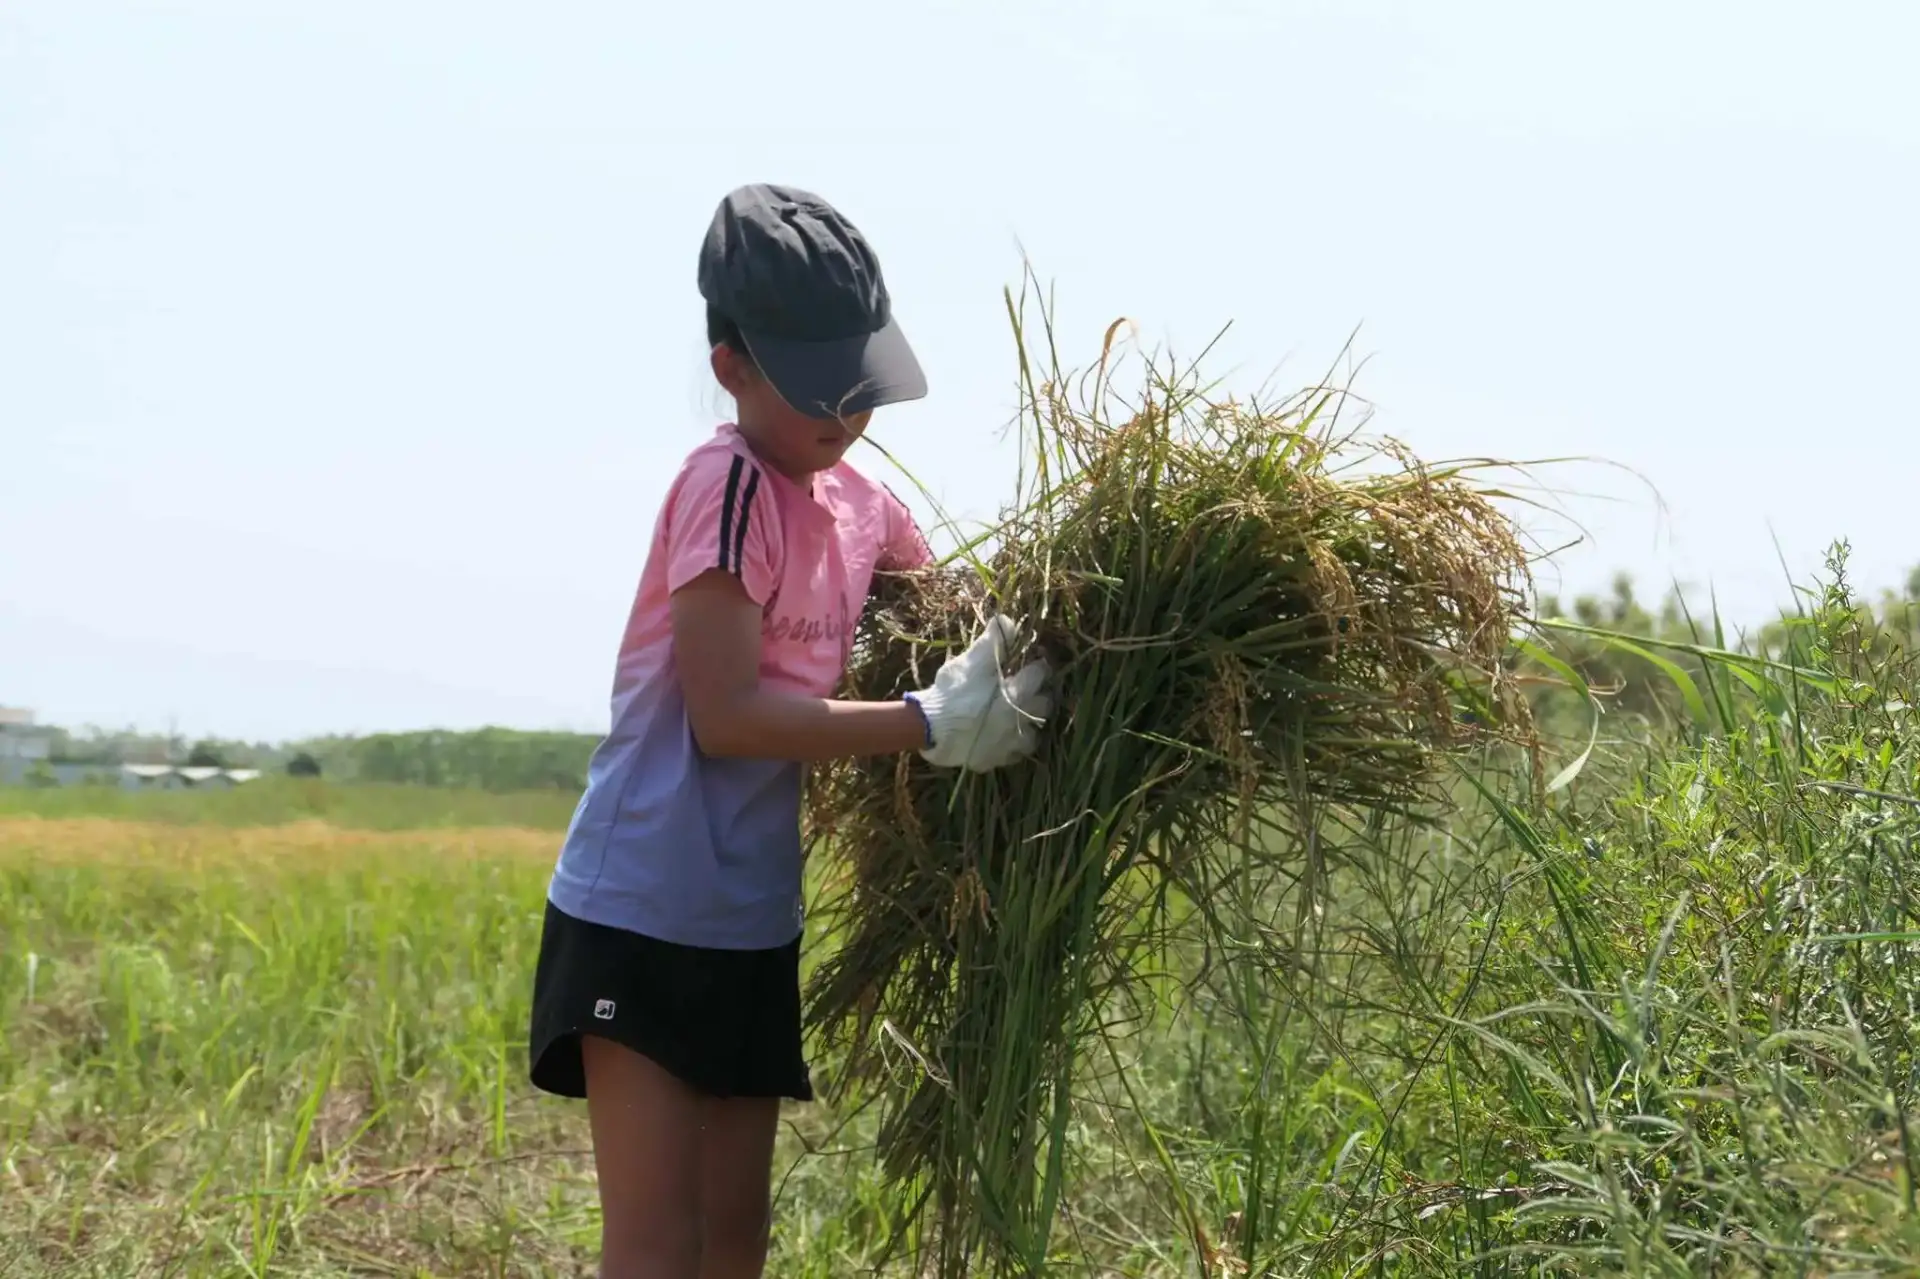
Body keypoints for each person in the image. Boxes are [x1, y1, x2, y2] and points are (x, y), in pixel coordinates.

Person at [527, 183, 1052, 1279]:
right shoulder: (725, 487)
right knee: (661, 1239)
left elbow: (948, 605)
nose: (846, 415)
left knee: (735, 1238)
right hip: (642, 906)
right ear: (732, 367)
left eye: (859, 387)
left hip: (750, 918)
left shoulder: (863, 505)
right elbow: (724, 718)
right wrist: (924, 725)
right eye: (817, 387)